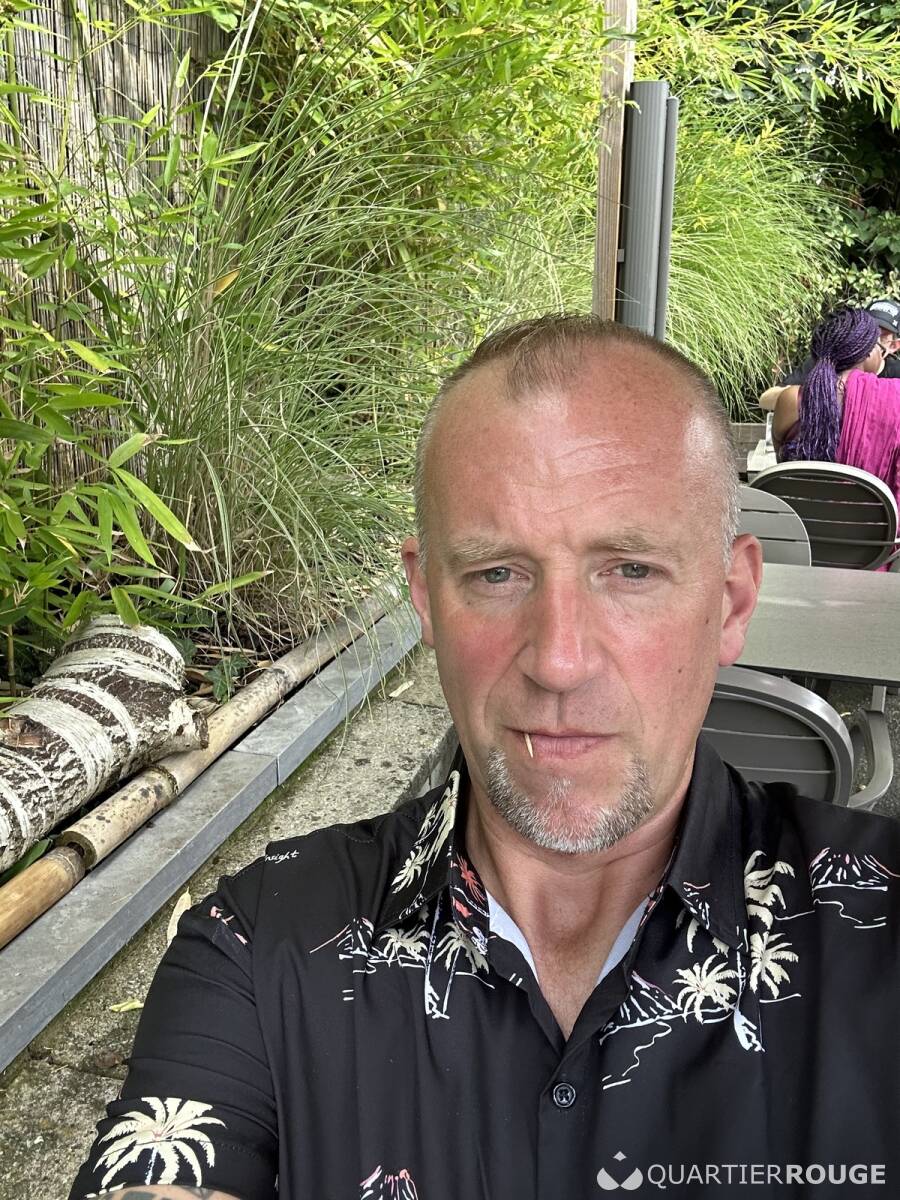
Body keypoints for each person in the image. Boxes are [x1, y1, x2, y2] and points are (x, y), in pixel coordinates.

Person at [70, 316, 900, 1200]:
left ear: (730, 602)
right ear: (427, 598)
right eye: (497, 573)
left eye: (630, 570)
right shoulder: (258, 946)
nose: (559, 660)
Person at [772, 306, 900, 507]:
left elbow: (783, 469)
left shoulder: (791, 399)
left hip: (801, 522)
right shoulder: (895, 397)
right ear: (867, 353)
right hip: (875, 525)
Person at [759, 297, 900, 413]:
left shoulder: (896, 374)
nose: (872, 340)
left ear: (894, 345)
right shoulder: (826, 362)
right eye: (868, 330)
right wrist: (819, 391)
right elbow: (766, 399)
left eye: (882, 335)